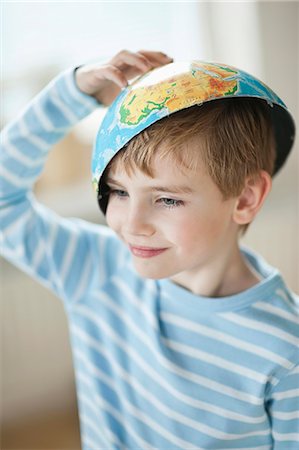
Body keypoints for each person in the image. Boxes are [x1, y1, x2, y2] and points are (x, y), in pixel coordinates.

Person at [0, 49, 298, 450]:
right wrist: (72, 95)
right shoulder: (97, 269)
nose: (132, 224)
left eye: (167, 199)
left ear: (244, 199)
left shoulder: (285, 353)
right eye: (119, 192)